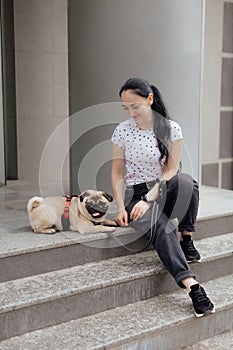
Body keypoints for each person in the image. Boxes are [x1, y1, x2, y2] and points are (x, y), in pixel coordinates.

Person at [111, 77, 215, 317]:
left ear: (149, 99)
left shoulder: (171, 128)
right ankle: (193, 287)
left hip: (160, 190)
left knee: (186, 181)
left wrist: (149, 199)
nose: (130, 112)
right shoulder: (122, 131)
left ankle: (186, 238)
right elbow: (116, 172)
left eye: (134, 106)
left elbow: (170, 170)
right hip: (134, 194)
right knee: (163, 227)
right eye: (125, 108)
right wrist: (120, 207)